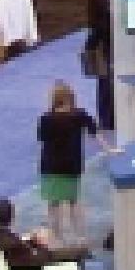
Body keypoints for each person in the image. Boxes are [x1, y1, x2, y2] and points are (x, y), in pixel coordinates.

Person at [36, 81, 103, 248]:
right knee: (74, 202)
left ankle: (57, 239)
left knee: (53, 204)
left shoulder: (45, 119)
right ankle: (80, 238)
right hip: (71, 167)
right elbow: (94, 132)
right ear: (70, 98)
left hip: (50, 167)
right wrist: (110, 149)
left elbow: (41, 138)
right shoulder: (79, 115)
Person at [83, 0, 115, 134]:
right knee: (104, 81)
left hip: (115, 42)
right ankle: (105, 118)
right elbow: (94, 24)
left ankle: (114, 115)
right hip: (102, 43)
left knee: (112, 81)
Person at [0, 197, 58, 270]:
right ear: (12, 215)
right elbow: (32, 258)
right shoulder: (11, 241)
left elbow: (19, 247)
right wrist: (43, 248)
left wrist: (31, 241)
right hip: (25, 265)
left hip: (19, 261)